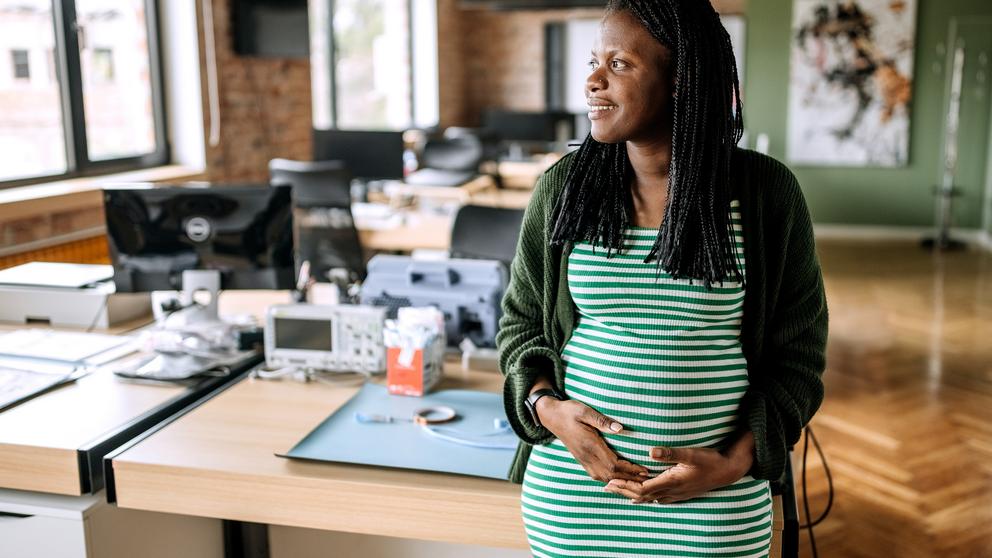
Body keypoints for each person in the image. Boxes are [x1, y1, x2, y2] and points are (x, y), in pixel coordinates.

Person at [495, 1, 828, 557]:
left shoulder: (766, 194)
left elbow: (799, 357)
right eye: (593, 61)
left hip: (716, 503)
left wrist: (734, 461)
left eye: (620, 64)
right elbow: (520, 327)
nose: (592, 80)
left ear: (682, 81)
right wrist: (548, 410)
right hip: (575, 497)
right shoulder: (563, 190)